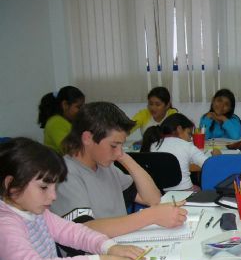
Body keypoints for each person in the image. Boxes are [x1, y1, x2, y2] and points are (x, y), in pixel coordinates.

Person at [0, 137, 143, 260]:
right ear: (11, 185)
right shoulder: (5, 225)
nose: (53, 196)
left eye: (55, 187)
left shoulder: (36, 211)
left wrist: (107, 247)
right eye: (43, 187)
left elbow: (72, 232)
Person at [51, 102, 187, 238]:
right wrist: (150, 216)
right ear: (87, 138)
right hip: (91, 256)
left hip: (119, 245)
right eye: (113, 145)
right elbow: (84, 230)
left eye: (121, 145)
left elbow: (153, 199)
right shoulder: (66, 173)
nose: (118, 153)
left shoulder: (106, 166)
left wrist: (124, 158)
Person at [141, 113, 221, 191]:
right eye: (189, 134)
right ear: (179, 129)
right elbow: (210, 166)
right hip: (185, 193)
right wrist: (217, 157)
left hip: (160, 194)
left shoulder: (153, 145)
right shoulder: (187, 145)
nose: (190, 139)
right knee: (199, 188)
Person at [37, 86, 85, 154]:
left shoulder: (67, 121)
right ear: (65, 105)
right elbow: (70, 150)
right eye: (78, 107)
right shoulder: (56, 123)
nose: (82, 110)